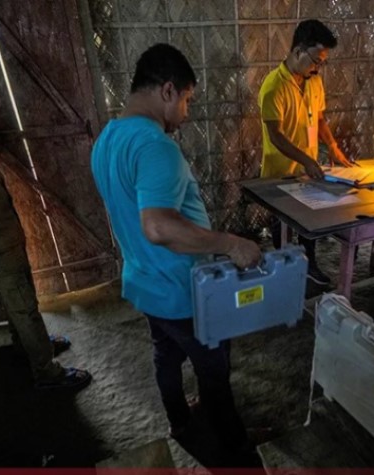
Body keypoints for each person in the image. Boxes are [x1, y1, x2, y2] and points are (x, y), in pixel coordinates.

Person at [91, 44, 262, 464]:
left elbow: (135, 220)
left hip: (144, 282)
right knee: (214, 368)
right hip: (182, 289)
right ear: (168, 91)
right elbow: (158, 226)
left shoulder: (107, 139)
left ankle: (181, 422)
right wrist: (230, 242)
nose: (185, 113)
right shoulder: (155, 146)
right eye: (186, 100)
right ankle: (236, 452)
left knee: (165, 354)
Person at [0, 34, 90, 391]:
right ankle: (46, 373)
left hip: (0, 229)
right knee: (22, 303)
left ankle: (28, 346)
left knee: (19, 297)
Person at [259, 19, 352, 285]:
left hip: (307, 172)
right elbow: (275, 136)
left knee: (309, 227)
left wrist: (333, 148)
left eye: (323, 61)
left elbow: (320, 119)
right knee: (282, 228)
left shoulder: (313, 81)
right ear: (298, 51)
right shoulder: (273, 87)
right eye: (316, 60)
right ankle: (285, 275)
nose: (318, 67)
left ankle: (309, 267)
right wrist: (306, 160)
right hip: (280, 175)